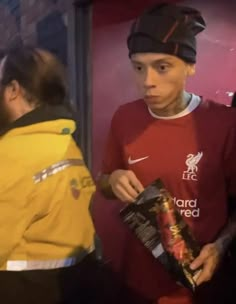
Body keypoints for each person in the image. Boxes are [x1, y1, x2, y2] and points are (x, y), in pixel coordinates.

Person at [98, 3, 236, 304]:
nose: (147, 81)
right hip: (136, 285)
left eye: (162, 67)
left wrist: (221, 246)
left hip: (201, 288)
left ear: (190, 66)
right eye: (138, 66)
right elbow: (103, 182)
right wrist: (113, 180)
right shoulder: (124, 118)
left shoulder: (225, 123)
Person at [0, 46, 142, 304]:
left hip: (23, 291)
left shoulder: (10, 153)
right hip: (74, 285)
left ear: (13, 90)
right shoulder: (65, 142)